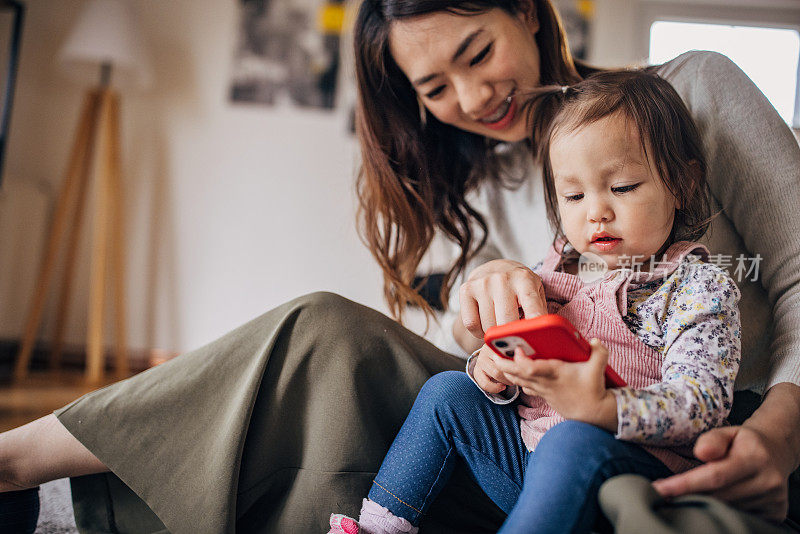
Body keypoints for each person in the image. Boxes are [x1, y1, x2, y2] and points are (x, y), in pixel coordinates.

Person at [0, 0, 798, 532]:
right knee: (326, 335)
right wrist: (478, 318)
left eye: (478, 51)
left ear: (525, 10)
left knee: (332, 398)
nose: (474, 95)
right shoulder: (487, 183)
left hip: (694, 437)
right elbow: (472, 346)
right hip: (520, 435)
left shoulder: (692, 91)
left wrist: (777, 434)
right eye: (436, 87)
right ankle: (34, 481)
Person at [328, 69, 743, 534]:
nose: (596, 211)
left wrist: (604, 408)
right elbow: (513, 365)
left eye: (623, 188)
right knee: (448, 392)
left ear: (683, 185)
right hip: (530, 464)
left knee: (571, 440)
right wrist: (495, 373)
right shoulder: (551, 275)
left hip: (633, 477)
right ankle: (375, 530)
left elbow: (702, 404)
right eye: (573, 194)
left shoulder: (695, 287)